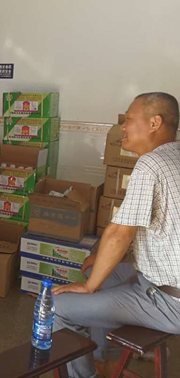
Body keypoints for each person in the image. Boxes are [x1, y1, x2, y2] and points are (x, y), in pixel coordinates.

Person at [53, 92, 180, 378]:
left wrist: (89, 287)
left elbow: (120, 233)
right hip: (163, 280)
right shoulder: (175, 155)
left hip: (169, 302)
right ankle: (105, 359)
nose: (123, 126)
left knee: (58, 306)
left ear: (154, 122)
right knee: (101, 272)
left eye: (129, 119)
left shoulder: (151, 164)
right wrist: (99, 266)